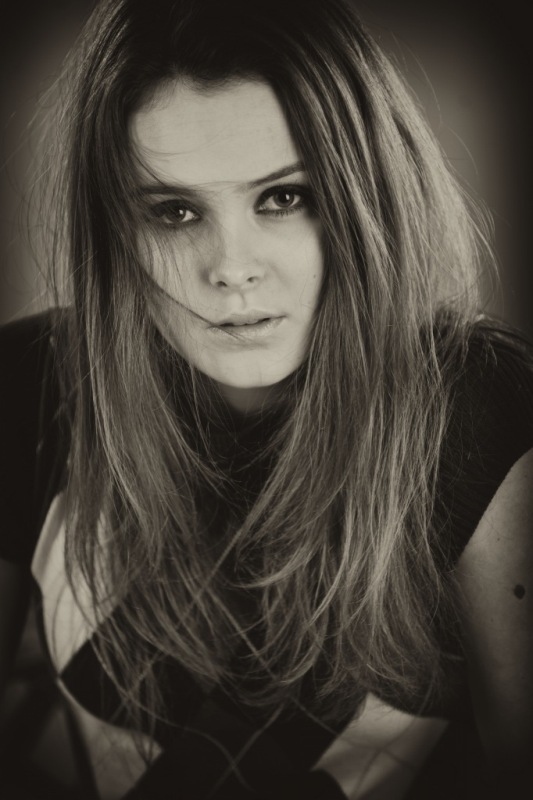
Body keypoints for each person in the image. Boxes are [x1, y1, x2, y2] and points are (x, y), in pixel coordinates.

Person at [0, 0, 531, 797]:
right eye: (175, 212)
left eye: (282, 198)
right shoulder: (30, 386)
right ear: (115, 230)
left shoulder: (476, 408)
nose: (231, 269)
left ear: (365, 198)